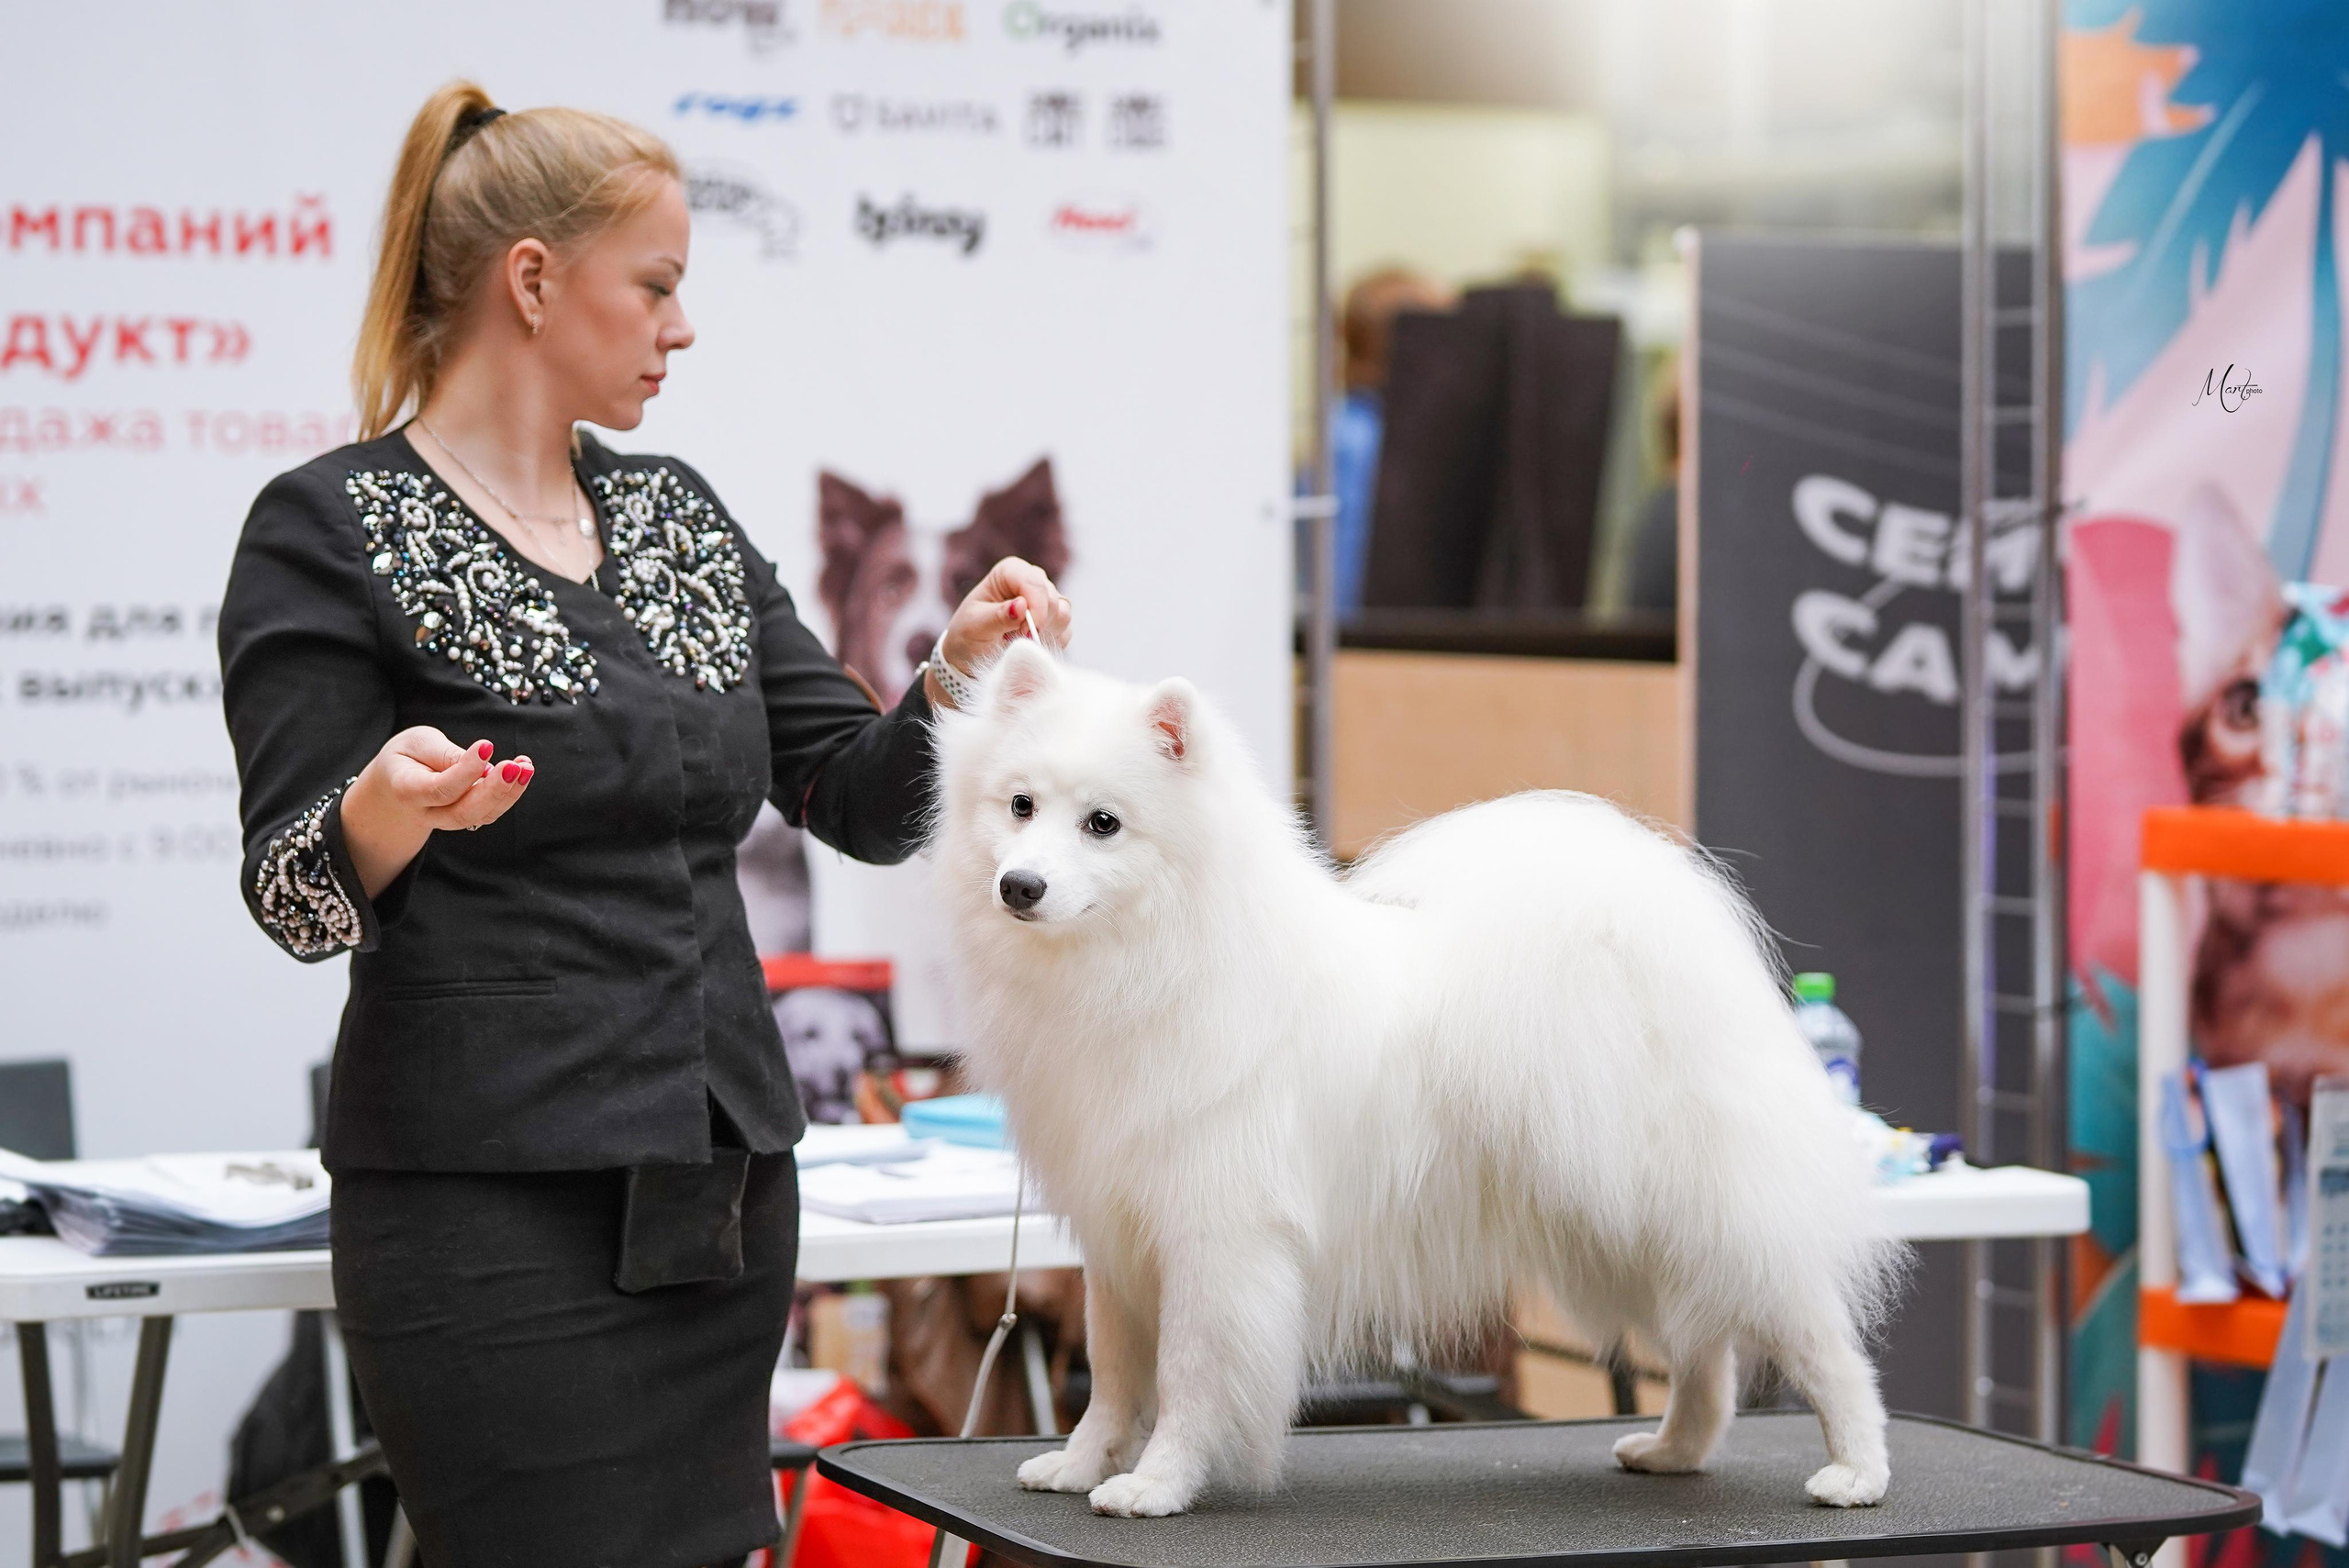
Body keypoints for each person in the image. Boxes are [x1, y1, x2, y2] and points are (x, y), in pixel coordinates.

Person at [216, 82, 1072, 1568]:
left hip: (714, 1189)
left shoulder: (678, 515)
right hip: (484, 1200)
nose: (683, 328)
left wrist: (956, 672)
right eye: (658, 286)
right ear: (532, 280)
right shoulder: (329, 526)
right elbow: (294, 891)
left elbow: (858, 801)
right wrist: (381, 808)